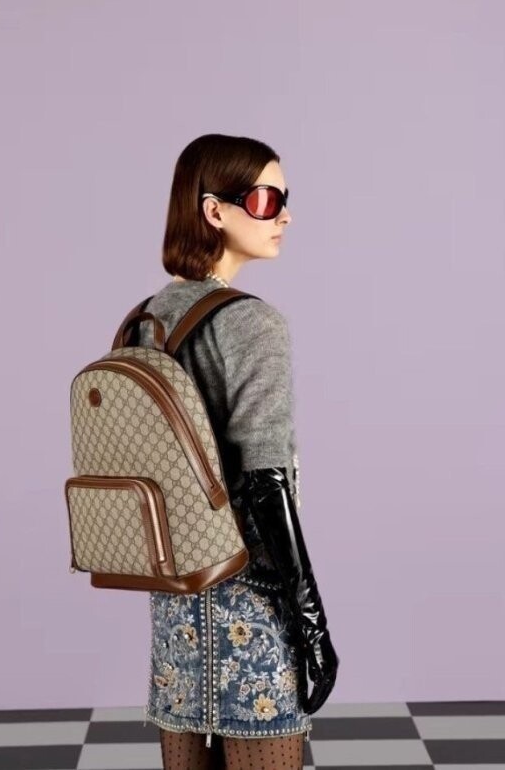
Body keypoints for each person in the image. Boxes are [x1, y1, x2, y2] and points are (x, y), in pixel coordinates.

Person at [136, 134, 339, 770]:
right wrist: (310, 622)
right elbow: (265, 477)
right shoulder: (253, 322)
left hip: (176, 604)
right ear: (214, 211)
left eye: (284, 198)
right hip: (252, 602)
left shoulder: (145, 318)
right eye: (265, 199)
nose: (285, 215)